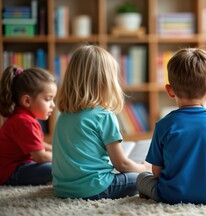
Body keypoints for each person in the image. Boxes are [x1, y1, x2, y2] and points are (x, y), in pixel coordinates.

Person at [136, 48, 206, 204]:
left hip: (170, 195)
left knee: (142, 177)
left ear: (170, 90)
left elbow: (156, 172)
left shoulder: (163, 125)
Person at [52, 45, 151, 200]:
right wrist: (143, 168)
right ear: (106, 82)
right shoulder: (104, 116)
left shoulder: (63, 116)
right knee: (141, 178)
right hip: (95, 189)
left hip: (62, 189)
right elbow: (122, 165)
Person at [0, 66, 57, 185]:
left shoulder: (23, 117)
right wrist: (65, 159)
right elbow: (40, 157)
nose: (53, 105)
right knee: (55, 168)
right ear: (27, 101)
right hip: (11, 173)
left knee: (56, 165)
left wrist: (60, 151)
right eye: (48, 99)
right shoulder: (25, 122)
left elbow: (39, 145)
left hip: (19, 167)